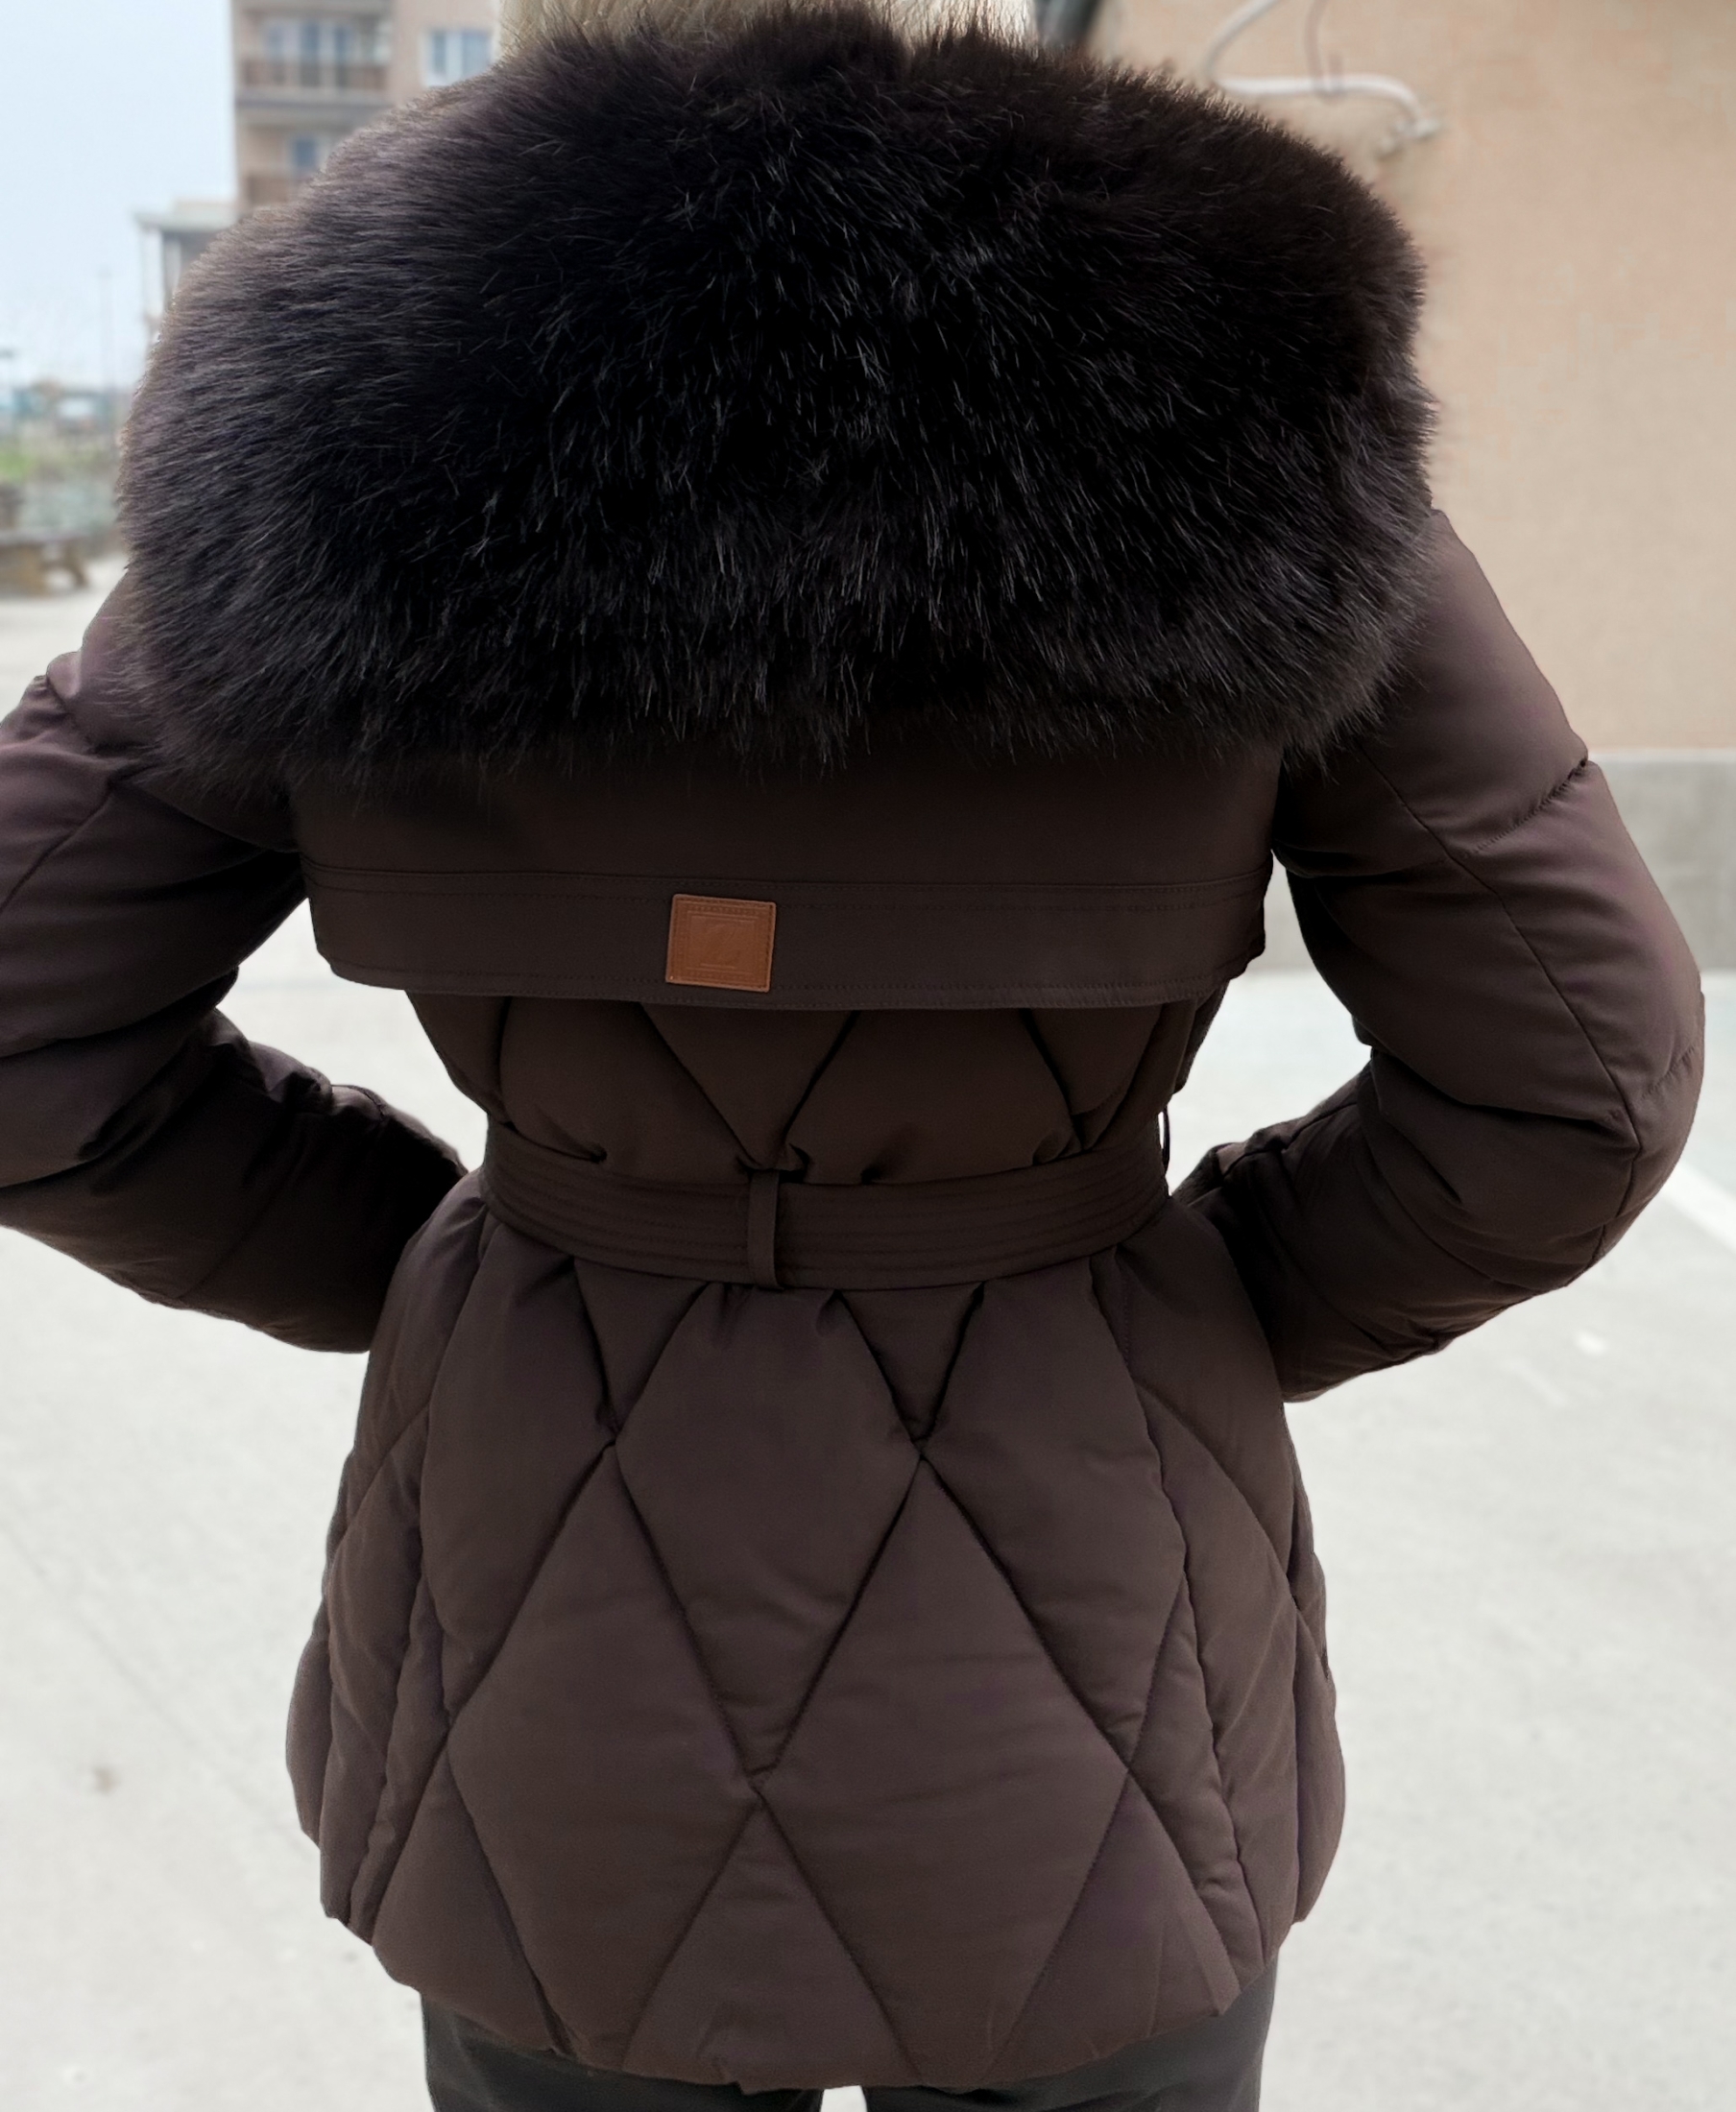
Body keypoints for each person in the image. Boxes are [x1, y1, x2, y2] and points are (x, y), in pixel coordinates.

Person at [0, 2, 1702, 2107]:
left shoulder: (347, 399)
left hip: (547, 1676)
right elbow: (1581, 1074)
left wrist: (440, 1254)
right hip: (1094, 1654)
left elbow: (25, 1012)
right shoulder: (1247, 383)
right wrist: (1210, 1292)